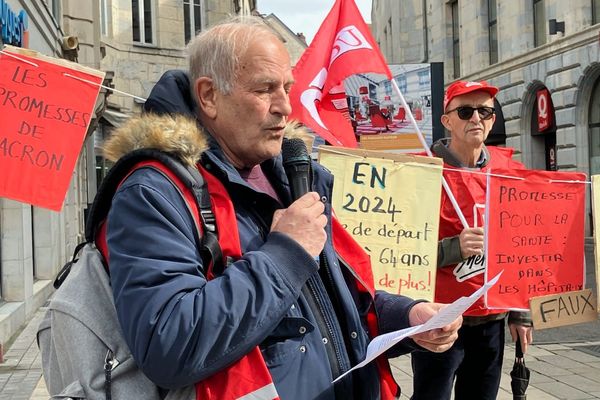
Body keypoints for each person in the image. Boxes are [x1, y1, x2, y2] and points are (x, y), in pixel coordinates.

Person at [103, 17, 462, 400]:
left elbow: (334, 305)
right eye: (265, 89)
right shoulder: (154, 192)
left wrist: (406, 318)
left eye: (287, 87)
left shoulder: (295, 176)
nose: (286, 106)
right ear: (208, 96)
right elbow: (168, 344)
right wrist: (286, 253)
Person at [410, 80, 534, 400]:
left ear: (493, 119)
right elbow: (398, 252)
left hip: (491, 322)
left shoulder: (509, 171)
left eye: (485, 111)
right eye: (465, 111)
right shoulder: (420, 171)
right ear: (447, 120)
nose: (476, 118)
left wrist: (521, 313)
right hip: (440, 319)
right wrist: (454, 247)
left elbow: (522, 247)